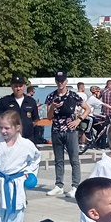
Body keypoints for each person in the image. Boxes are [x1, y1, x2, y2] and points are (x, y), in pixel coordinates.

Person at [45, 70, 91, 198]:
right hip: (56, 130)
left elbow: (87, 109)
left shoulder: (73, 96)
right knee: (58, 160)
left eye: (62, 81)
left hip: (70, 131)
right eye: (58, 81)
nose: (60, 83)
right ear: (56, 81)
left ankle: (75, 186)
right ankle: (59, 185)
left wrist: (79, 120)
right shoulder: (51, 96)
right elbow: (49, 117)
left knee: (74, 159)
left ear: (66, 82)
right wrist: (53, 107)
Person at [0, 75, 39, 141]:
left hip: (28, 138)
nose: (18, 89)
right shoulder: (4, 101)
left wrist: (28, 127)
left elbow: (35, 119)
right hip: (9, 139)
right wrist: (6, 128)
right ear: (12, 87)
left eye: (20, 86)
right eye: (16, 86)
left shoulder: (31, 101)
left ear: (24, 87)